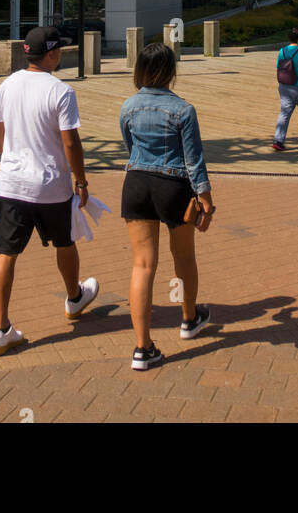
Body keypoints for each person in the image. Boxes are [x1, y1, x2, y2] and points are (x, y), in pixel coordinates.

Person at [0, 26, 99, 358]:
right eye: (59, 51)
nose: (61, 55)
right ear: (50, 54)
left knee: (6, 253)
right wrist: (80, 180)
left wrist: (11, 157)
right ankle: (74, 297)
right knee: (65, 242)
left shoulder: (8, 85)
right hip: (50, 186)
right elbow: (70, 141)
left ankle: (0, 328)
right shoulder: (61, 91)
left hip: (11, 183)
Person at [119, 41, 214, 371]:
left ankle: (142, 348)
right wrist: (205, 198)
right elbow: (194, 160)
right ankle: (189, 319)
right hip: (173, 186)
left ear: (140, 70)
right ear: (171, 71)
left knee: (142, 265)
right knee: (184, 255)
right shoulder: (183, 110)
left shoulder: (128, 107)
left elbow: (130, 147)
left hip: (136, 184)